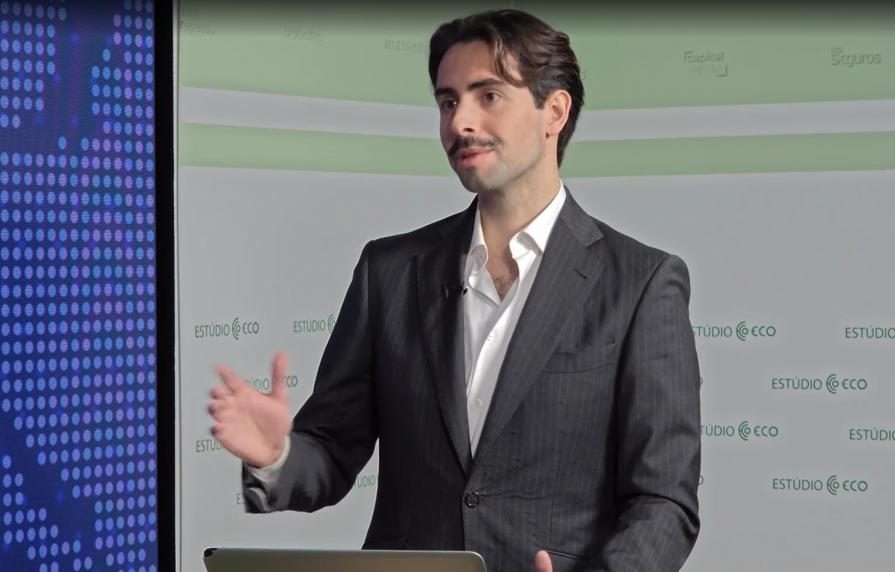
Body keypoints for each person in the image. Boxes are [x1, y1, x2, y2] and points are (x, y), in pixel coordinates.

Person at [207, 8, 701, 572]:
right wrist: (276, 456)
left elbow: (664, 501)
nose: (459, 121)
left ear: (554, 111)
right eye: (447, 102)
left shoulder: (642, 281)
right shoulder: (388, 271)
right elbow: (331, 452)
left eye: (487, 96)